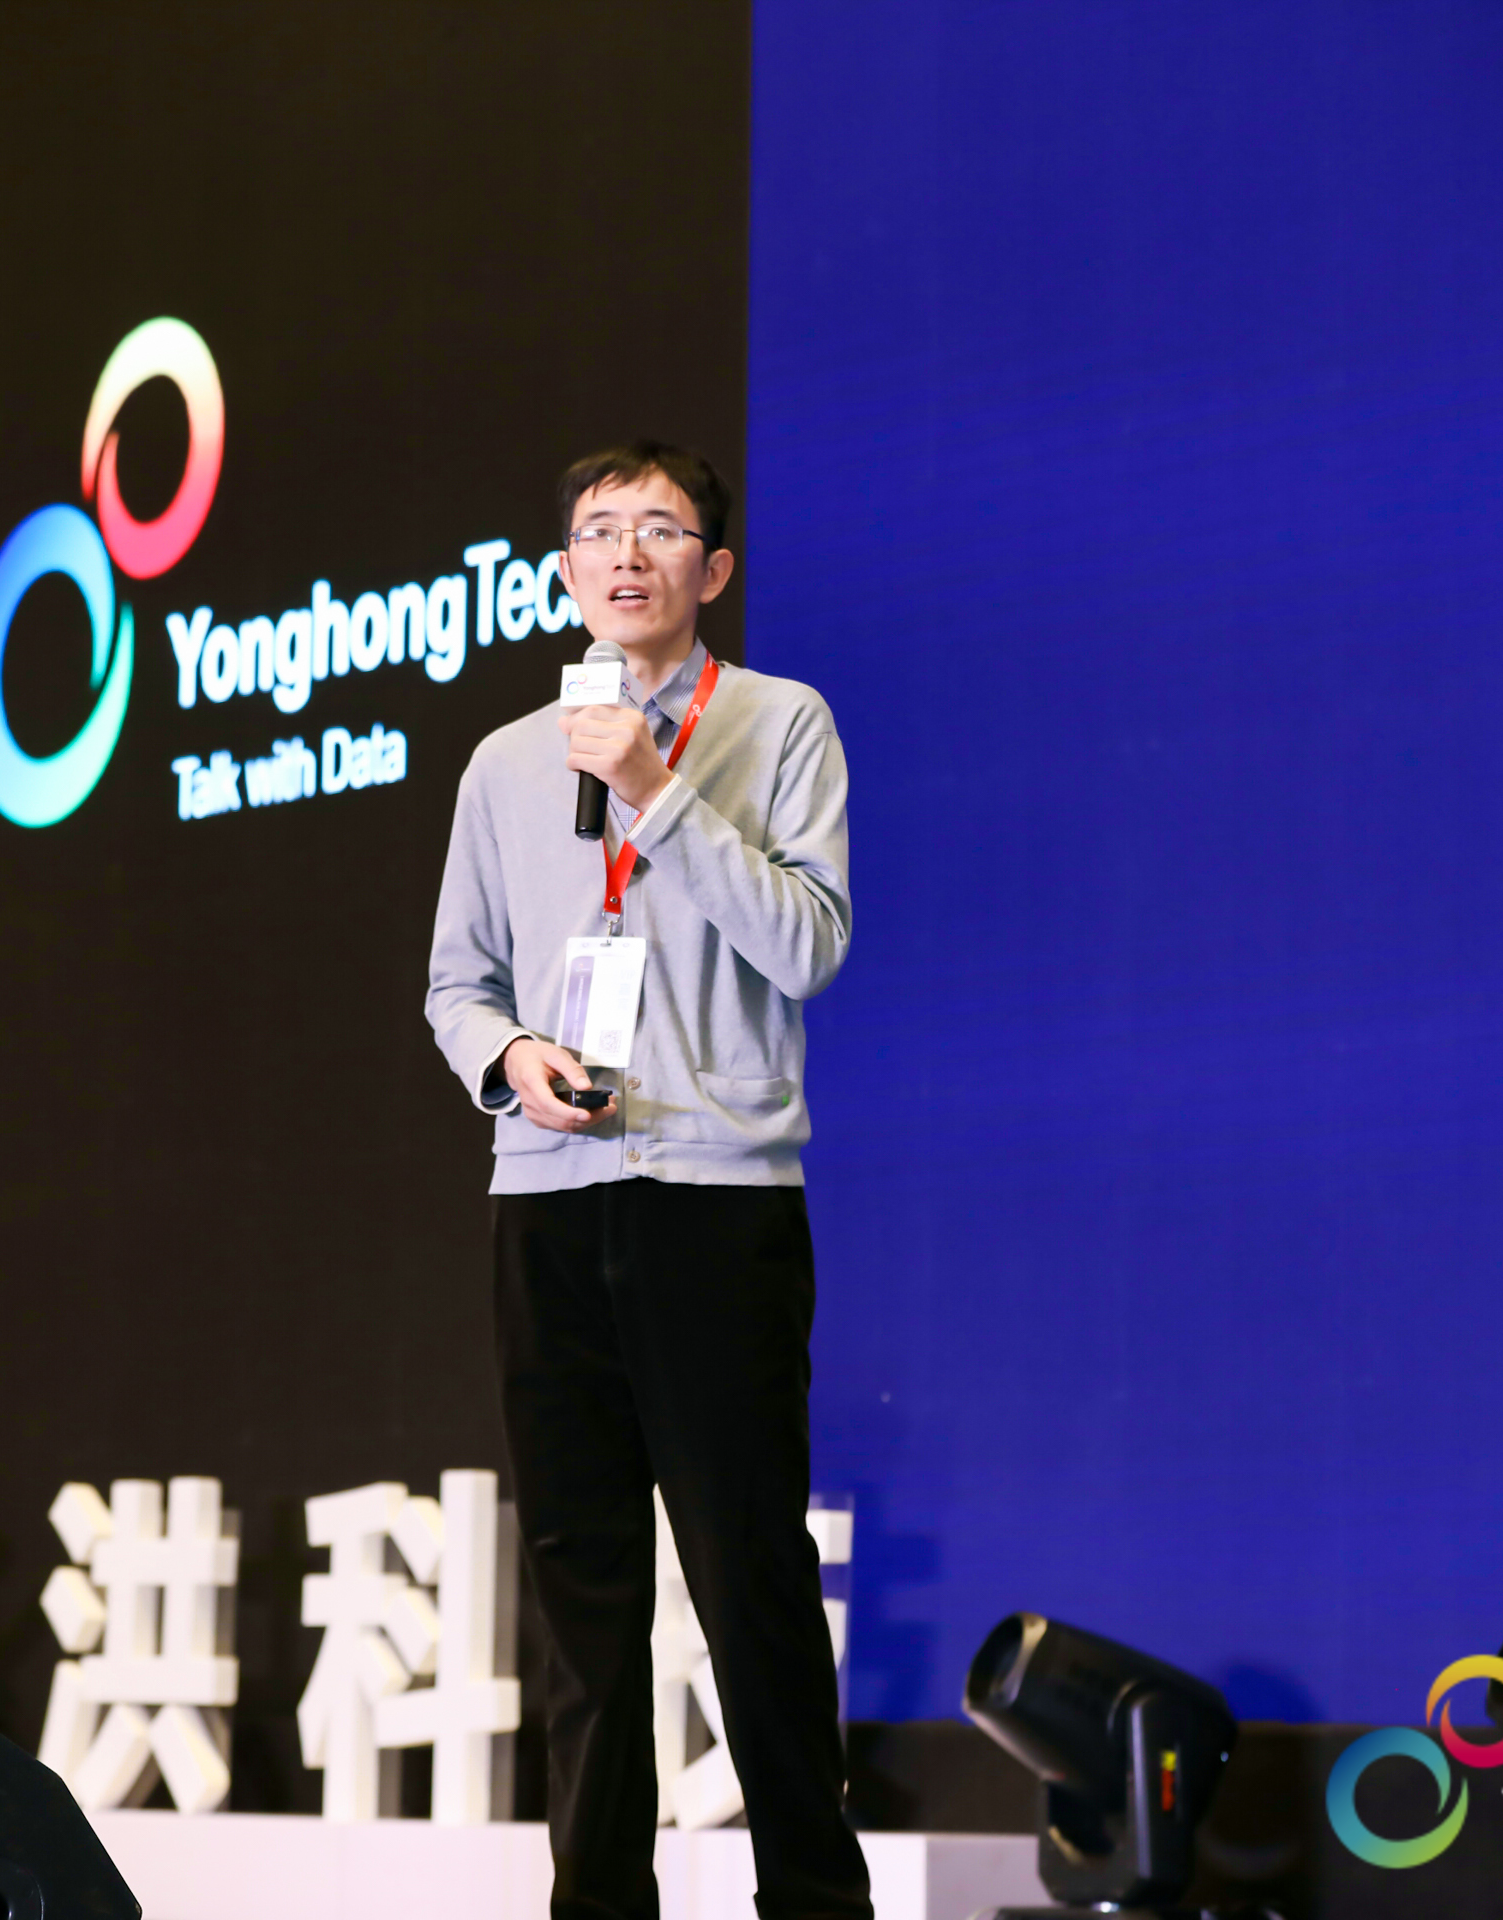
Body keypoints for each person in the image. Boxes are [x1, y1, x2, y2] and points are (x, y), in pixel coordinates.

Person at [426, 443, 865, 1920]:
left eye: (660, 530)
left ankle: (815, 1905)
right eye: (599, 531)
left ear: (711, 570)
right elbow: (456, 983)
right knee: (582, 1588)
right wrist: (510, 1059)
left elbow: (808, 945)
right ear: (564, 571)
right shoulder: (504, 761)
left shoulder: (782, 723)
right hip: (548, 1198)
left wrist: (655, 789)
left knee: (748, 1577)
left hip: (717, 1197)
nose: (627, 553)